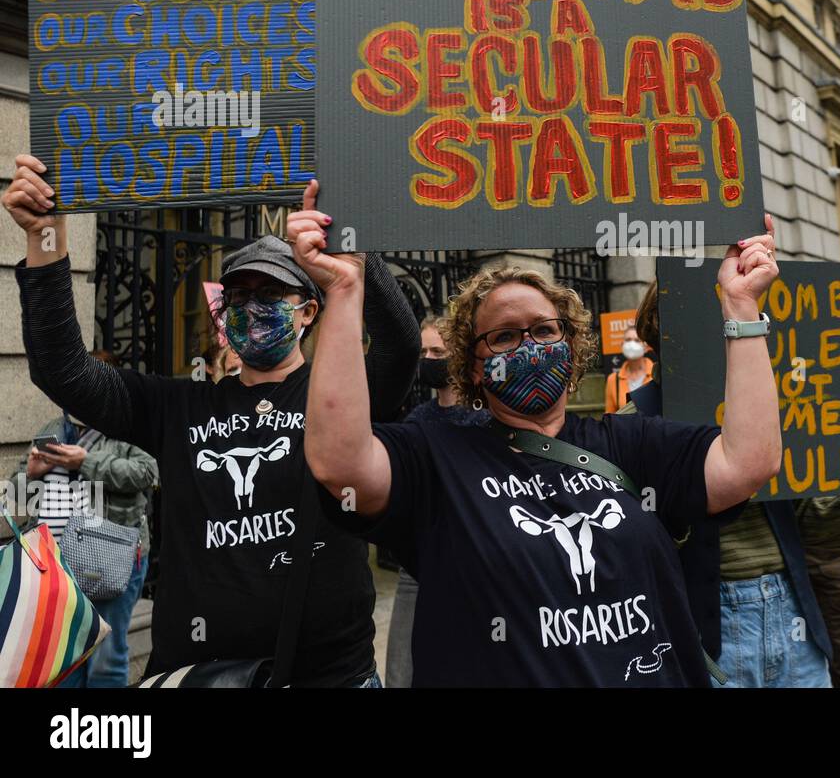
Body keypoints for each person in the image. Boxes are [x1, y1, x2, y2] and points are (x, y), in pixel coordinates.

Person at [295, 211, 785, 686]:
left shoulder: (631, 443)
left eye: (545, 330)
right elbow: (341, 464)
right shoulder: (436, 452)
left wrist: (741, 308)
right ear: (472, 367)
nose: (528, 346)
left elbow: (748, 463)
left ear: (570, 349)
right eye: (505, 336)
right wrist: (343, 290)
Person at [3, 159, 420, 686]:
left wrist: (358, 259)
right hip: (197, 673)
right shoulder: (177, 406)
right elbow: (62, 370)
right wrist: (45, 235)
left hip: (328, 675)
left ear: (308, 312)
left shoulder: (339, 400)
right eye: (238, 298)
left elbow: (400, 350)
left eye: (270, 295)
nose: (251, 308)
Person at [620, 280, 840, 688]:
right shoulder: (633, 424)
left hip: (792, 614)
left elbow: (811, 527)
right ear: (663, 332)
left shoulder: (776, 408)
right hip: (700, 628)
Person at [10, 349, 160, 688]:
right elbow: (17, 495)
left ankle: (104, 732)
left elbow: (148, 472)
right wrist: (31, 474)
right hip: (56, 562)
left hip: (111, 556)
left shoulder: (128, 425)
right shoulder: (54, 428)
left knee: (106, 655)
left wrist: (86, 462)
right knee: (65, 653)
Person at [385, 314, 488, 687]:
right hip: (419, 564)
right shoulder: (417, 419)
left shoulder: (487, 419)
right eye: (424, 352)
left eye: (438, 351)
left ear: (458, 355)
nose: (428, 359)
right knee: (401, 671)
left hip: (475, 565)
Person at [605, 326, 652, 412]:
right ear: (622, 345)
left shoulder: (656, 374)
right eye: (628, 340)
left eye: (637, 340)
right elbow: (610, 416)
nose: (632, 344)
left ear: (646, 347)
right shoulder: (613, 379)